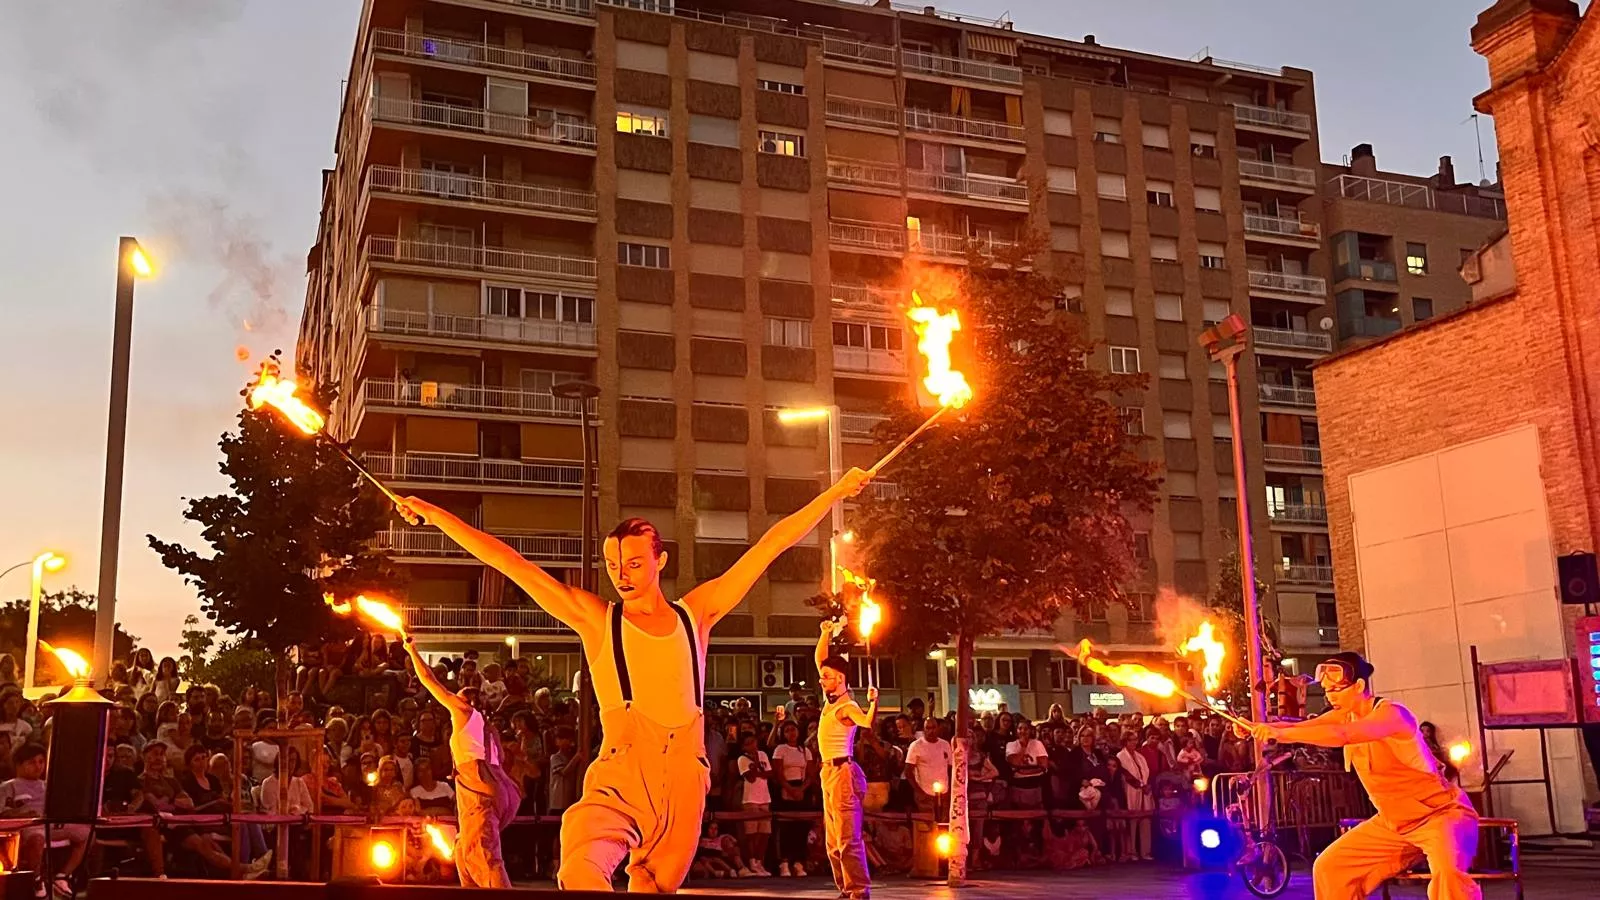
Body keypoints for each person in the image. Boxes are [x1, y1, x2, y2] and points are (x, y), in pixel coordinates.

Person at [397, 465, 869, 892]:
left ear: (660, 561)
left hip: (685, 775)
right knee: (580, 867)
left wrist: (837, 492)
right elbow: (514, 565)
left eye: (634, 563)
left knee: (654, 885)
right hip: (622, 770)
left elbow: (771, 545)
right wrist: (437, 515)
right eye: (613, 564)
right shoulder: (597, 618)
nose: (621, 574)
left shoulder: (696, 614)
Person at [1247, 652, 1481, 900]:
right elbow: (1297, 726)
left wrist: (1280, 734)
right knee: (1331, 868)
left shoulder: (1393, 714)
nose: (1330, 697)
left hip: (1439, 816)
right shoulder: (1344, 715)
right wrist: (1256, 727)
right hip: (1393, 825)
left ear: (1358, 686)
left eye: (1337, 690)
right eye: (1327, 691)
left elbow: (1343, 735)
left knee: (1448, 877)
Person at [402, 634, 519, 888]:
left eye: (464, 690)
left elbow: (429, 680)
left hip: (479, 788)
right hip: (501, 789)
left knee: (486, 857)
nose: (459, 691)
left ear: (467, 699)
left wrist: (412, 651)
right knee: (464, 851)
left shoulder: (463, 711)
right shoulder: (490, 728)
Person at [810, 620, 879, 898]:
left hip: (843, 773)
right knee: (832, 841)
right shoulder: (830, 700)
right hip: (828, 773)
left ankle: (858, 890)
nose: (821, 679)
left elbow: (865, 723)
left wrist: (873, 702)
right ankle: (845, 888)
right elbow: (820, 659)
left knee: (848, 838)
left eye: (826, 676)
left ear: (839, 679)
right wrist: (825, 633)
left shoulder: (847, 706)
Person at [2, 743, 90, 898]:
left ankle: (62, 876)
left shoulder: (48, 786)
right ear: (19, 764)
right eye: (32, 762)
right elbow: (2, 813)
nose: (38, 766)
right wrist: (21, 813)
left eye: (41, 762)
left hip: (51, 823)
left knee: (86, 832)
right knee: (37, 838)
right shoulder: (9, 786)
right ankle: (37, 879)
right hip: (27, 826)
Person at [735, 733, 775, 877]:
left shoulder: (763, 754)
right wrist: (757, 767)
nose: (753, 745)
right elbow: (750, 778)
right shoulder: (742, 759)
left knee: (764, 833)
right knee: (751, 834)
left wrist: (758, 768)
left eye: (754, 741)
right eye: (748, 743)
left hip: (765, 798)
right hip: (750, 799)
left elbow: (769, 774)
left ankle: (760, 861)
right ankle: (751, 861)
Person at [904, 718, 952, 814]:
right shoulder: (916, 745)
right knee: (928, 823)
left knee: (943, 824)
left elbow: (950, 767)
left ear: (938, 728)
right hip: (925, 793)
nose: (931, 731)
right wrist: (919, 792)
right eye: (928, 728)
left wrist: (950, 790)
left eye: (933, 728)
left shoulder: (945, 744)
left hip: (944, 794)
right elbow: (908, 772)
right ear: (924, 729)